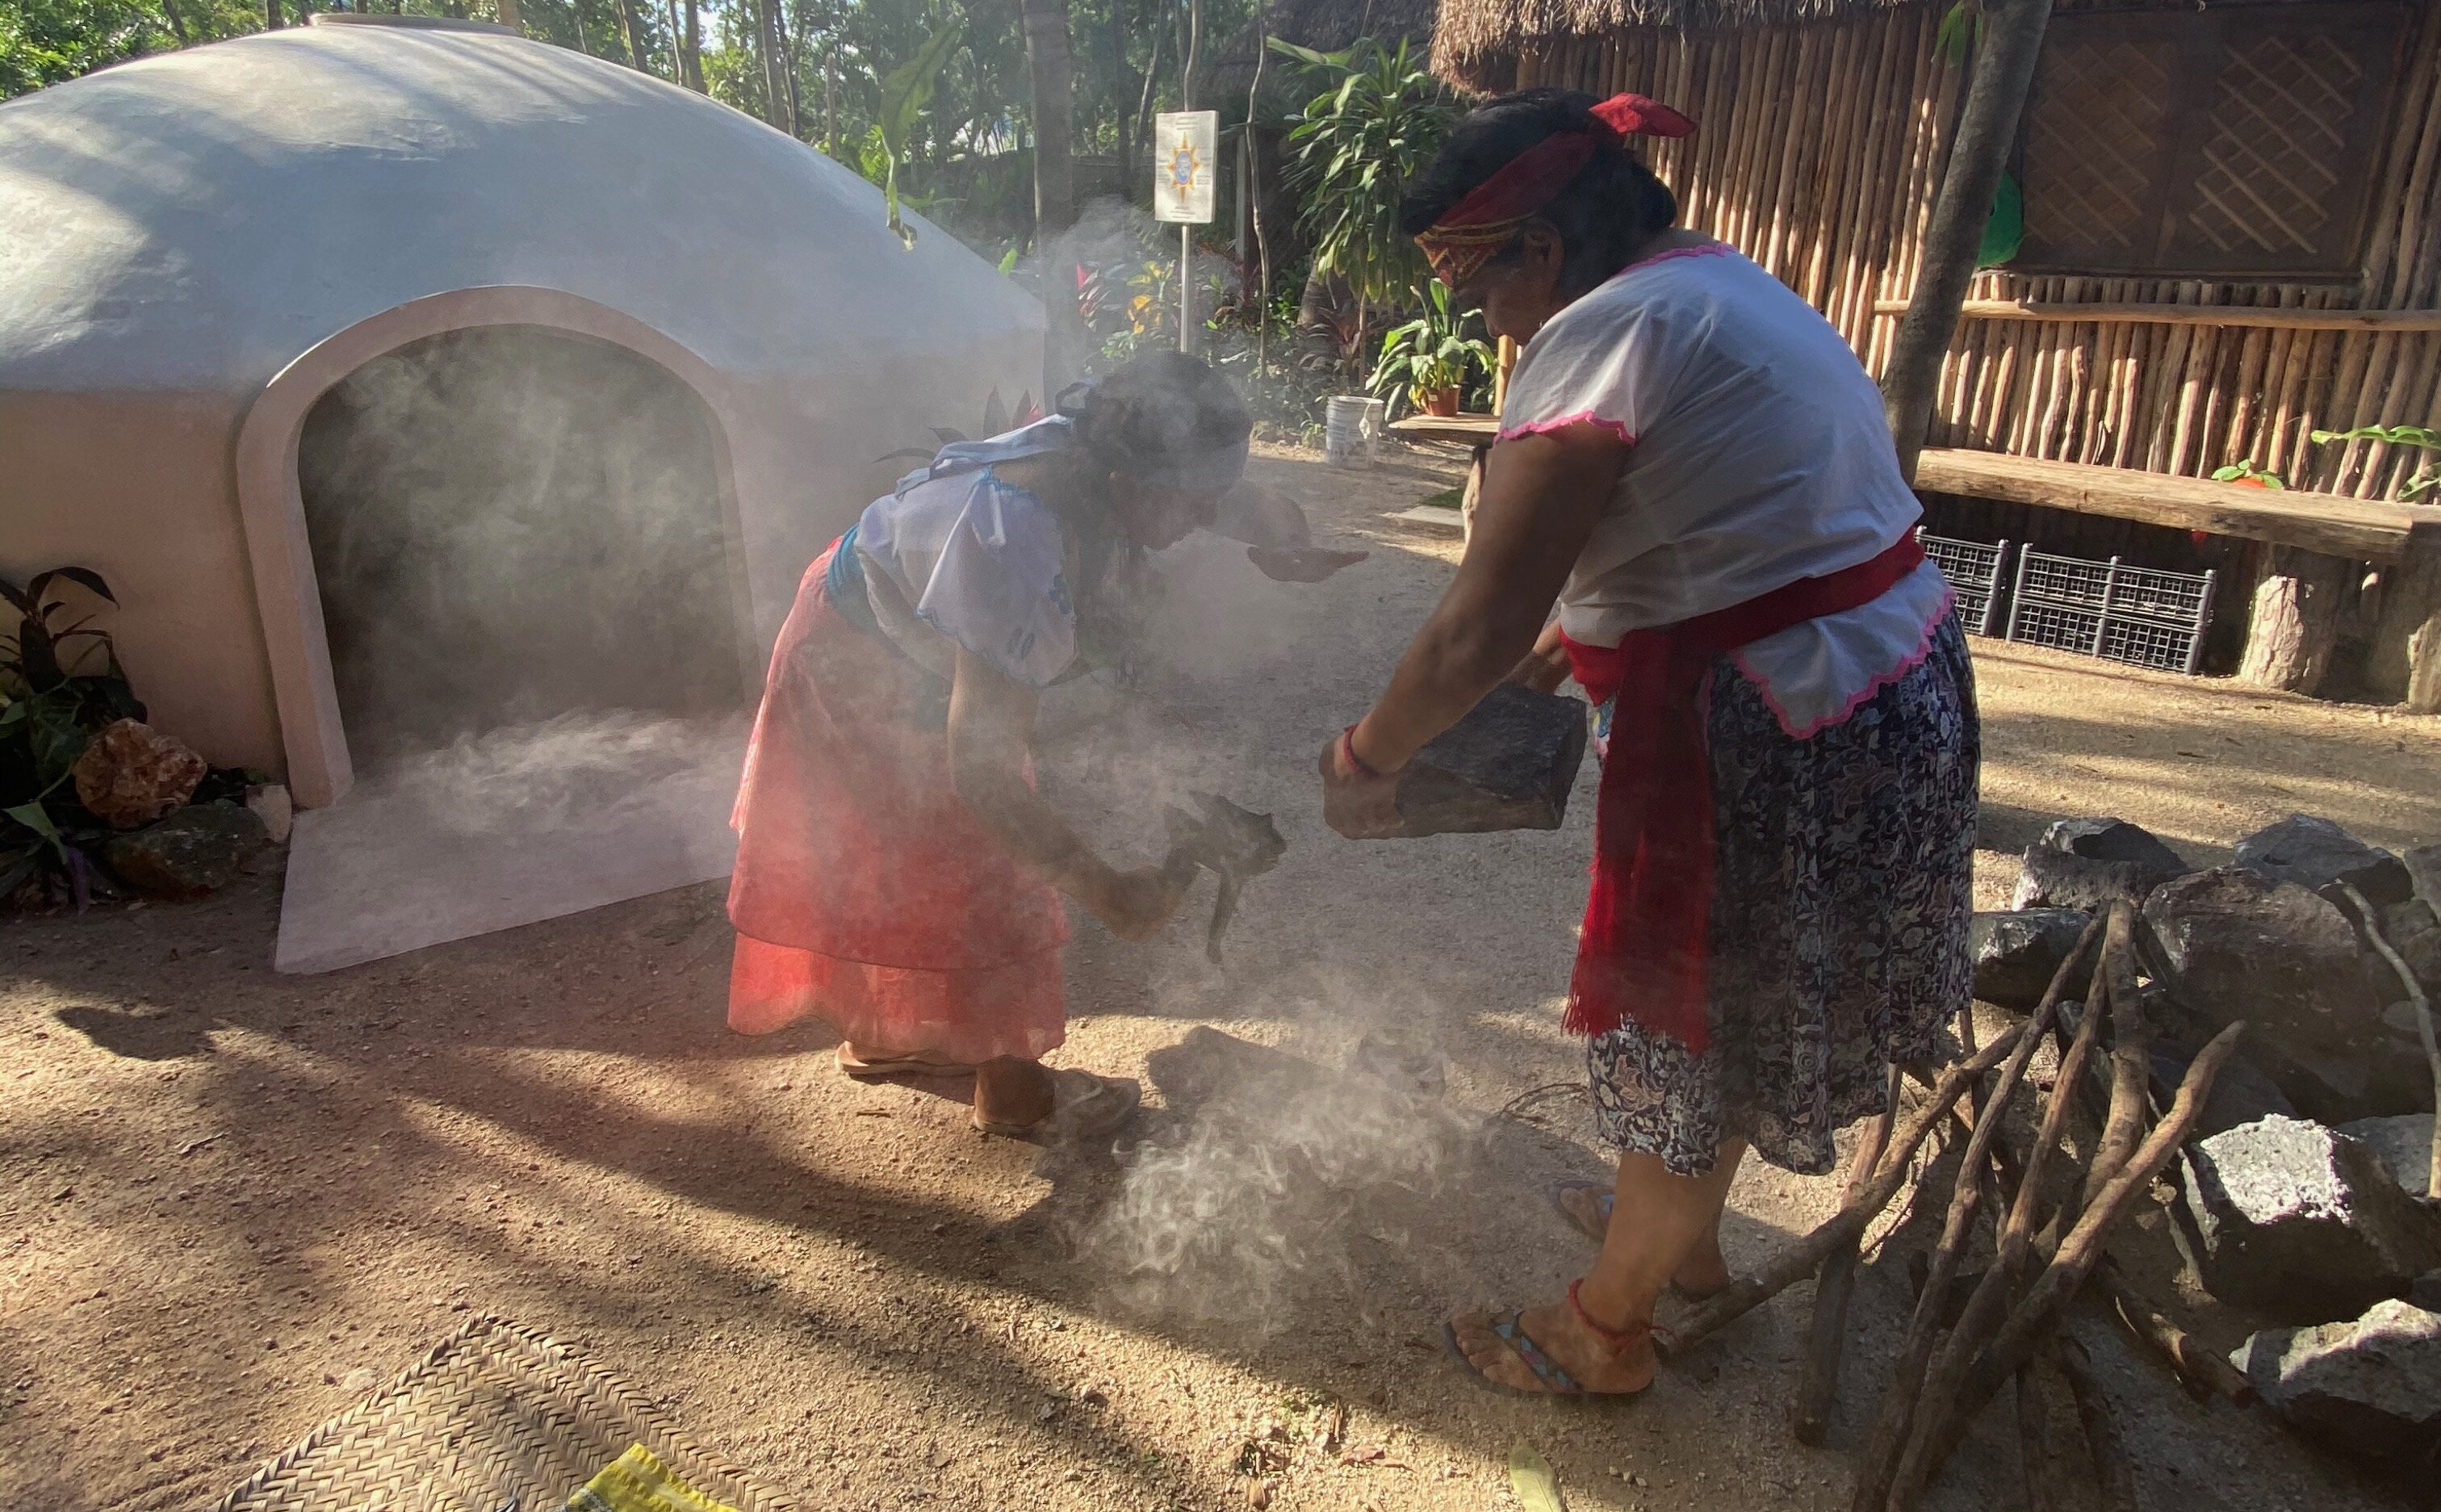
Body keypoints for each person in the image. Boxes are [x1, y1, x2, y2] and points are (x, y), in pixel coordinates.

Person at [1320, 90, 1977, 1396]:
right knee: (1727, 1024)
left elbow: (1476, 625)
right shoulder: (1711, 286)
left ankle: (1601, 1330)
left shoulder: (1603, 335)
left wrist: (1365, 761)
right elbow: (1712, 532)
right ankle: (1674, 1252)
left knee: (1682, 1032)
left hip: (1769, 730)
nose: (1471, 311)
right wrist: (1567, 654)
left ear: (1542, 250)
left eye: (1466, 275)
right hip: (1872, 688)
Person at [729, 351, 1292, 1138]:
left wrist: (1268, 526)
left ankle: (893, 1036)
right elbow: (985, 775)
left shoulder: (1100, 445)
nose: (1203, 520)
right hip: (850, 658)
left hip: (869, 615)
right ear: (1133, 483)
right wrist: (1105, 888)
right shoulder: (1013, 545)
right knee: (981, 857)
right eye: (1196, 505)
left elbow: (1189, 491)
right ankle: (1016, 1094)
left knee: (909, 844)